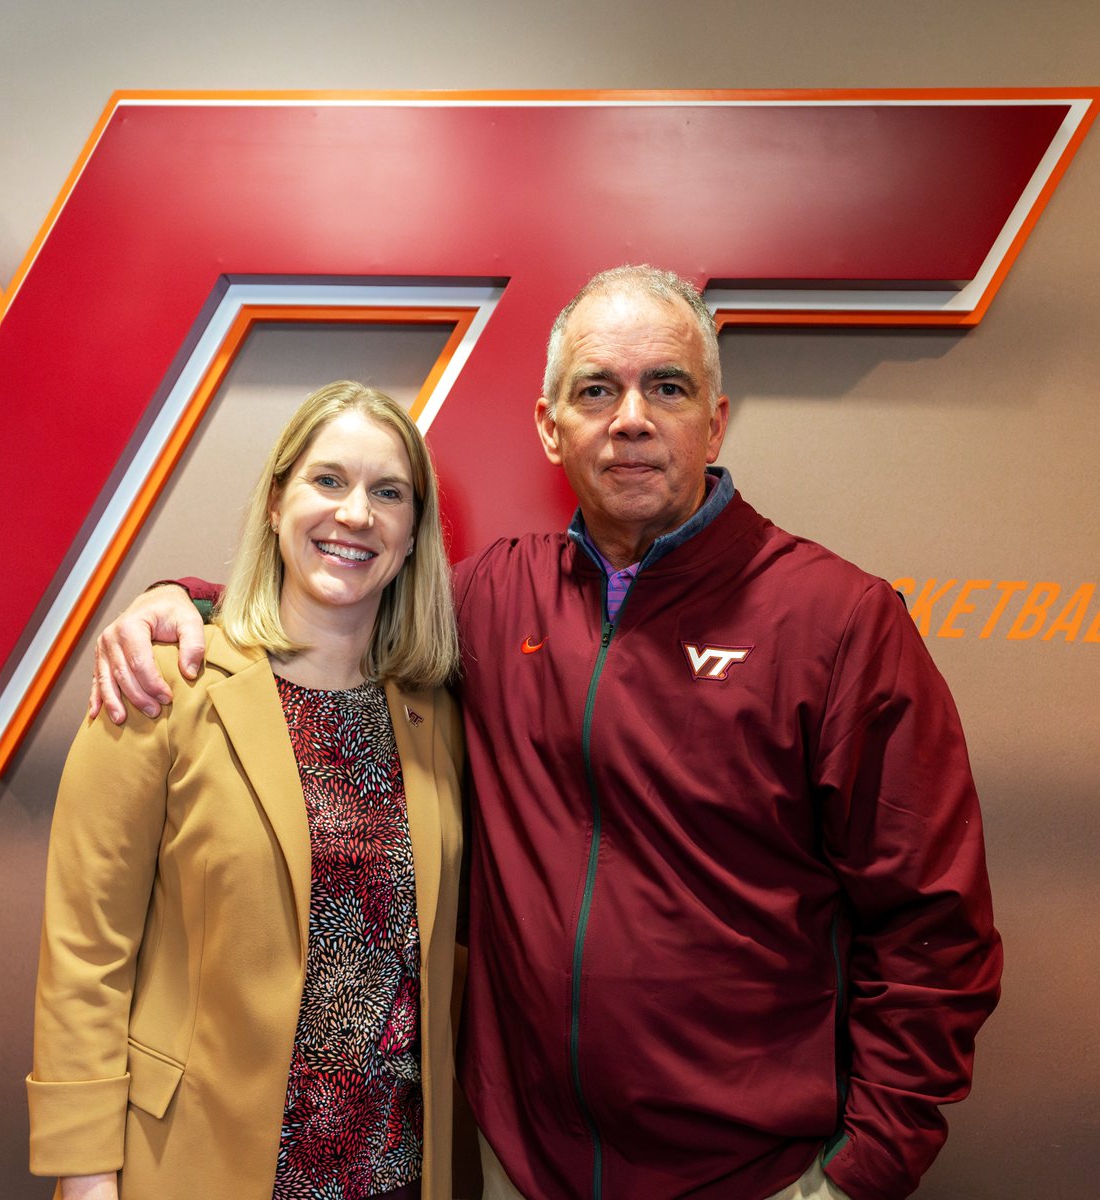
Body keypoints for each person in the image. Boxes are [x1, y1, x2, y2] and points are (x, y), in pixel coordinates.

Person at [90, 268, 1001, 1200]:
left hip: (751, 1178)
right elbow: (344, 597)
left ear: (716, 422)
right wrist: (186, 601)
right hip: (520, 1170)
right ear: (549, 425)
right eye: (597, 389)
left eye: (668, 387)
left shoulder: (836, 622)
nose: (632, 418)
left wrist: (863, 1171)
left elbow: (935, 929)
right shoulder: (492, 601)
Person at [28, 381, 464, 1200]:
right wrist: (85, 1176)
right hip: (193, 1162)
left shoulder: (435, 715)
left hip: (389, 1174)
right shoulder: (164, 682)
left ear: (412, 536)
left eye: (388, 493)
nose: (356, 514)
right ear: (276, 502)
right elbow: (85, 952)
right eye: (327, 480)